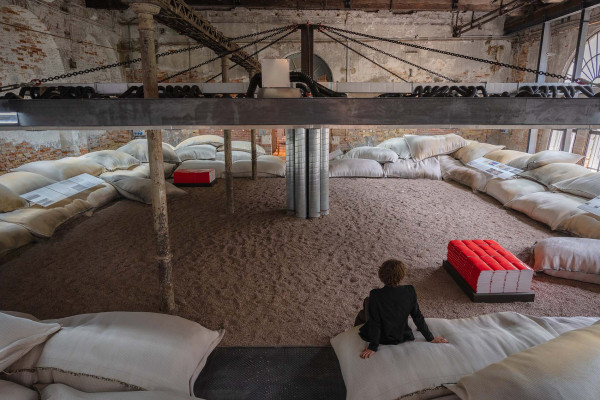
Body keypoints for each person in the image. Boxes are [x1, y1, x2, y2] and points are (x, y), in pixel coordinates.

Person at [357, 259, 448, 359]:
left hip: (383, 338)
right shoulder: (410, 290)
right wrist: (430, 338)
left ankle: (355, 326)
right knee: (371, 304)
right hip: (402, 335)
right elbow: (417, 316)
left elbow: (375, 322)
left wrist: (373, 347)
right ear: (402, 276)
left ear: (381, 275)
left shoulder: (375, 294)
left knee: (366, 304)